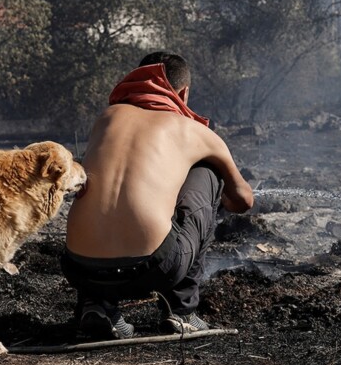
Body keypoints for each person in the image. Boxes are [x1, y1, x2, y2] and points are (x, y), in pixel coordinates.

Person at [62, 52, 254, 340]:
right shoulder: (194, 131)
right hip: (154, 268)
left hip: (79, 267)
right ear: (184, 92)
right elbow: (243, 201)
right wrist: (217, 198)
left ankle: (96, 306)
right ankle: (182, 310)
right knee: (209, 173)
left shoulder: (105, 119)